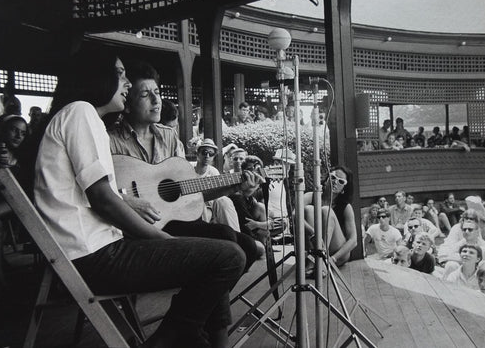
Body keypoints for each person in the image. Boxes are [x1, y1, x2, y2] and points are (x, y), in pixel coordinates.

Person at [35, 52, 255, 347]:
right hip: (96, 257)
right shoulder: (81, 113)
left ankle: (184, 330)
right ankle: (173, 335)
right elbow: (103, 199)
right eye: (120, 73)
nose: (125, 82)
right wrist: (164, 239)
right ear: (98, 76)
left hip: (96, 251)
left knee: (226, 248)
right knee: (228, 256)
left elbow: (105, 196)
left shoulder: (82, 116)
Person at [108, 61, 259, 273]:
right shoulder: (110, 139)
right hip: (133, 231)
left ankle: (198, 302)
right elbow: (96, 193)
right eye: (145, 95)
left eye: (157, 92)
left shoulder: (168, 136)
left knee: (248, 246)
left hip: (170, 222)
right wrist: (127, 201)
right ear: (128, 102)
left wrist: (235, 186)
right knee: (227, 243)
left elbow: (187, 192)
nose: (156, 100)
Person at [303, 166, 358, 269]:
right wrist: (312, 232)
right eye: (333, 177)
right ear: (326, 179)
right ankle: (317, 259)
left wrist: (332, 259)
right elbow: (294, 215)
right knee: (308, 210)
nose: (335, 182)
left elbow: (353, 240)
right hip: (313, 246)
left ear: (343, 189)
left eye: (341, 181)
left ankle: (320, 261)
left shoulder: (346, 207)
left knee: (326, 210)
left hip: (337, 254)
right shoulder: (311, 196)